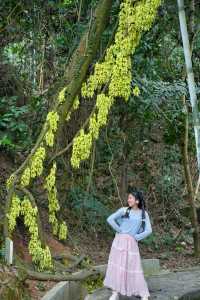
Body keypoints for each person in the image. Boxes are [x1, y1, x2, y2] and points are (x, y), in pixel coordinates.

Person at [103, 188, 152, 300]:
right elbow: (110, 219)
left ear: (137, 201)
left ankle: (142, 292)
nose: (128, 199)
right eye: (128, 197)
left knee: (134, 267)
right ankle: (115, 293)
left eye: (131, 198)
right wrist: (120, 230)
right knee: (117, 266)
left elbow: (149, 230)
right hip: (119, 242)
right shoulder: (124, 210)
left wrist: (137, 237)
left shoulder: (144, 214)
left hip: (132, 243)